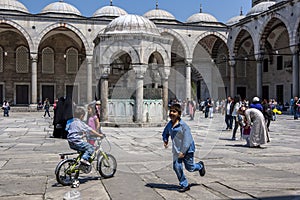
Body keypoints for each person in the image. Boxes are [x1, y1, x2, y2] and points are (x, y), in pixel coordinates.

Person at [162, 103, 205, 192]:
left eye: (174, 111)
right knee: (176, 166)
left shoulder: (183, 126)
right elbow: (165, 132)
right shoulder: (169, 124)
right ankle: (184, 184)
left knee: (190, 168)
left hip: (187, 150)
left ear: (179, 114)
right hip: (177, 150)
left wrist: (183, 151)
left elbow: (187, 140)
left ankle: (200, 166)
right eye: (171, 111)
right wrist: (165, 139)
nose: (172, 113)